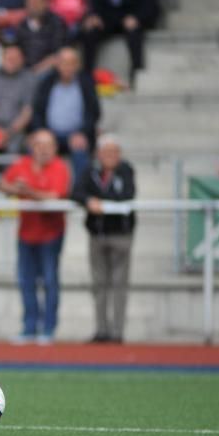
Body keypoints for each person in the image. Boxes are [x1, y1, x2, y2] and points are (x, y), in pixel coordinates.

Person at [0, 129, 70, 344]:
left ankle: (48, 328)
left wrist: (28, 191)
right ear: (32, 146)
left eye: (48, 145)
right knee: (26, 281)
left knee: (49, 280)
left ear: (55, 148)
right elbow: (3, 184)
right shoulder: (22, 164)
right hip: (26, 233)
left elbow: (56, 195)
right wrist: (17, 189)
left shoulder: (60, 167)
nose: (43, 149)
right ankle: (29, 327)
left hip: (50, 234)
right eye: (39, 144)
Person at [71, 134, 135, 343]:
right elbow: (76, 192)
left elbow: (128, 194)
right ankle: (101, 329)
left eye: (115, 152)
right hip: (97, 234)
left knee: (119, 283)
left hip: (121, 235)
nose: (111, 156)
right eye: (107, 152)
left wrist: (100, 202)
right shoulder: (91, 171)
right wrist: (89, 201)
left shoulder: (125, 170)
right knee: (99, 284)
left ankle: (117, 331)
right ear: (99, 154)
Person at [30, 45, 99, 180]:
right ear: (57, 64)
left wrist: (83, 132)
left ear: (77, 65)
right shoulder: (47, 83)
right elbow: (37, 110)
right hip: (49, 133)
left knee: (80, 151)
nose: (67, 67)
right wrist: (41, 131)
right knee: (36, 147)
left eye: (71, 63)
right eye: (64, 63)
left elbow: (94, 113)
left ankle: (79, 191)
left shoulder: (86, 83)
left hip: (76, 134)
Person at [80, 0, 160, 87]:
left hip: (132, 15)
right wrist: (94, 15)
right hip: (106, 16)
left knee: (134, 35)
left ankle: (137, 73)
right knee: (90, 33)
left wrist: (138, 17)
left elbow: (149, 1)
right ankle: (87, 75)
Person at [14, 0, 68, 73]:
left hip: (50, 73)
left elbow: (58, 54)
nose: (33, 4)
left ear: (46, 2)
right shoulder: (21, 26)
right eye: (29, 0)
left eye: (36, 0)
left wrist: (36, 71)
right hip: (24, 74)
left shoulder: (57, 23)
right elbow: (17, 51)